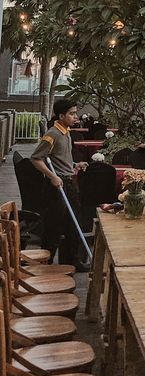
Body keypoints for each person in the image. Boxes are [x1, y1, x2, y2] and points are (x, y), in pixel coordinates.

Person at [30, 97, 89, 271]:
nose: (75, 117)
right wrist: (51, 176)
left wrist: (74, 165)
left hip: (68, 183)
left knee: (73, 223)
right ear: (61, 116)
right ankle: (45, 264)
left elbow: (59, 159)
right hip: (56, 187)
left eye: (75, 113)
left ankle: (72, 262)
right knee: (54, 227)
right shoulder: (52, 134)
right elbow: (36, 159)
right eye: (71, 114)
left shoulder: (66, 131)